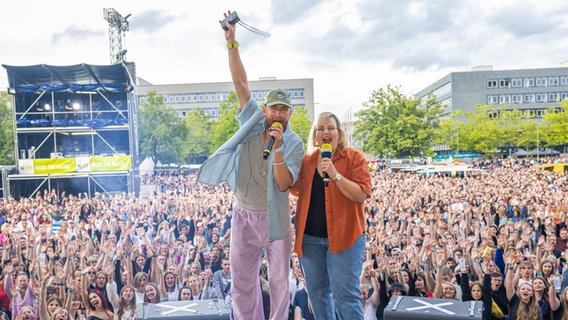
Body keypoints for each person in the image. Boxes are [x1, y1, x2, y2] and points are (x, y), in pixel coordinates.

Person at [197, 10, 304, 320]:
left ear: (290, 115)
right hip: (244, 215)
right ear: (265, 108)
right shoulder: (253, 120)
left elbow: (285, 183)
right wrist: (231, 42)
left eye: (285, 110)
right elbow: (240, 82)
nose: (279, 114)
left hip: (277, 220)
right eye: (275, 108)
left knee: (281, 283)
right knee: (243, 283)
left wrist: (280, 148)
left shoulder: (295, 142)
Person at [291, 111, 372, 319]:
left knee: (346, 296)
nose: (325, 132)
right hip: (310, 240)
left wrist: (335, 175)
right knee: (318, 296)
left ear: (339, 133)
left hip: (346, 238)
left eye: (330, 128)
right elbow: (294, 189)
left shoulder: (354, 157)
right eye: (320, 128)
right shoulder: (307, 160)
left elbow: (362, 194)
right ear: (315, 136)